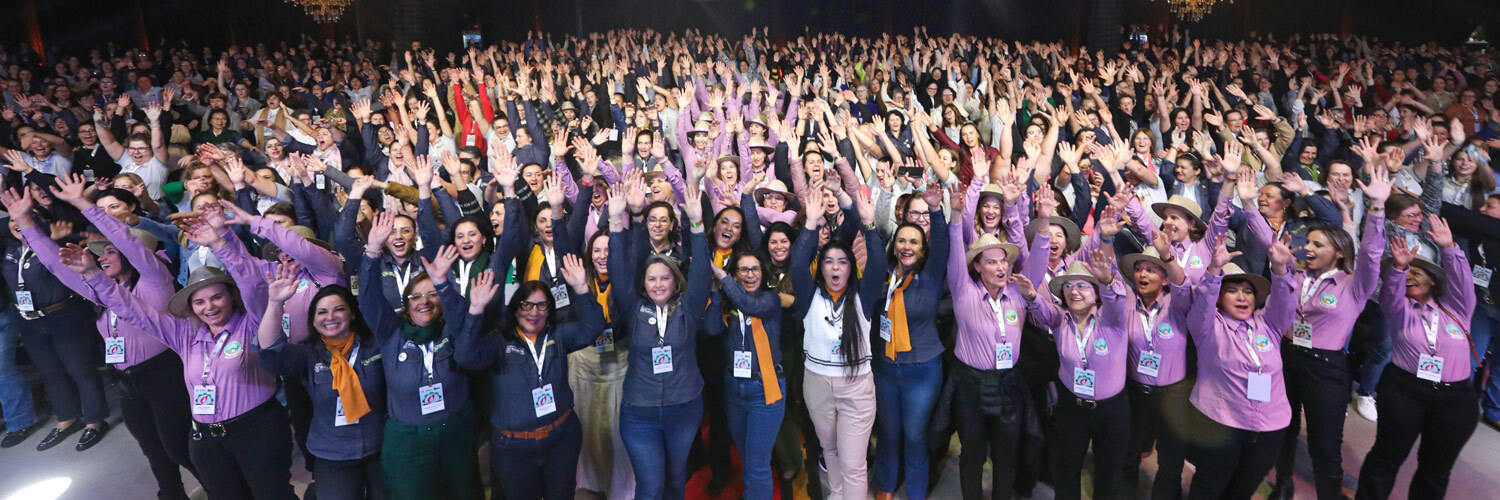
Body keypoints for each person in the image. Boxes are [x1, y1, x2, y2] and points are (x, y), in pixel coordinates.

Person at [66, 207, 296, 500]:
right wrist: (93, 275)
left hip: (257, 431)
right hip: (206, 438)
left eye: (216, 297)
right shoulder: (185, 334)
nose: (209, 307)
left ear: (231, 297)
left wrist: (219, 244)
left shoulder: (251, 323)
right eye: (199, 302)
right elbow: (131, 309)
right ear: (190, 307)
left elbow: (251, 283)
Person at [21, 174, 198, 498]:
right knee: (153, 450)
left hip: (165, 374)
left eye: (110, 252)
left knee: (179, 447)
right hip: (127, 380)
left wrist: (84, 204)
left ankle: (222, 490)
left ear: (129, 256)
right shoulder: (104, 291)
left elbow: (131, 243)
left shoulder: (153, 279)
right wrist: (25, 222)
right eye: (100, 253)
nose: (102, 257)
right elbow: (58, 266)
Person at [1268, 167, 1392, 500]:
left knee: (1325, 445)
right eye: (1306, 241)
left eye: (1316, 244)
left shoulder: (1353, 285)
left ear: (1338, 252)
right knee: (1284, 428)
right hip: (1286, 357)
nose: (1306, 247)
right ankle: (1283, 483)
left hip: (1327, 367)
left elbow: (1371, 255)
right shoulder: (1296, 275)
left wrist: (1377, 208)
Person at [454, 255, 603, 500]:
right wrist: (475, 310)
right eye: (527, 304)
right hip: (514, 448)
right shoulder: (499, 341)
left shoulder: (559, 334)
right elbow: (465, 357)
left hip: (561, 438)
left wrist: (581, 289)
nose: (534, 312)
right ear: (515, 309)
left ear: (549, 310)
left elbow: (593, 327)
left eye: (542, 305)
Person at [357, 214, 480, 500]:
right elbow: (368, 299)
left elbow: (461, 311)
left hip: (456, 432)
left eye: (432, 295)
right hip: (408, 438)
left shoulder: (451, 326)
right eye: (416, 297)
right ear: (406, 304)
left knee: (463, 492)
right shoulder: (390, 331)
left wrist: (444, 285)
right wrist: (373, 251)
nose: (424, 302)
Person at [1356, 215, 1479, 500]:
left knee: (1436, 469)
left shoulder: (1458, 309)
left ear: (1434, 281)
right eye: (1407, 272)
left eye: (1417, 272)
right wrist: (1398, 267)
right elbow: (1390, 294)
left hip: (1456, 400)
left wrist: (1449, 248)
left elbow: (1462, 283)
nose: (1411, 275)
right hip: (1404, 391)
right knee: (1386, 458)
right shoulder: (1400, 312)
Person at [943, 173, 1050, 499]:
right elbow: (954, 254)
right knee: (972, 454)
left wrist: (1041, 221)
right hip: (970, 384)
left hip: (1008, 383)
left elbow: (1039, 264)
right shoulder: (964, 291)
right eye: (992, 261)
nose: (1002, 267)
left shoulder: (1017, 292)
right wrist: (957, 215)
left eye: (1004, 260)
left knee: (1006, 453)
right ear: (977, 267)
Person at [608, 180, 713, 500]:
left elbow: (702, 275)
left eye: (665, 277)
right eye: (651, 278)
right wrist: (617, 222)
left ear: (675, 280)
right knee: (650, 487)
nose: (658, 284)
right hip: (640, 412)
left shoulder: (688, 309)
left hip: (684, 409)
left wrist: (696, 225)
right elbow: (618, 270)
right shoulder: (633, 307)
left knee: (675, 480)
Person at [1020, 211, 1131, 500]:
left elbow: (1116, 300)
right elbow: (1044, 312)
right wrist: (1032, 296)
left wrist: (1107, 279)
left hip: (1111, 411)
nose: (1074, 292)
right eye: (1068, 286)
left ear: (1095, 292)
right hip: (1073, 407)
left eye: (1082, 285)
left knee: (1108, 474)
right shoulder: (1061, 319)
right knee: (1066, 471)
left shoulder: (1113, 320)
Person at [787, 181, 884, 500]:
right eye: (829, 261)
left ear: (851, 267)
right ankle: (836, 496)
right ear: (822, 268)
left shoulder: (862, 296)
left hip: (856, 385)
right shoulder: (809, 297)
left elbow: (879, 265)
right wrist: (811, 224)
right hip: (817, 383)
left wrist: (869, 224)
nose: (835, 267)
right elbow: (798, 263)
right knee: (829, 451)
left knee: (854, 462)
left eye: (842, 261)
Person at [1182, 235, 1296, 500]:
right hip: (1222, 424)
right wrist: (1213, 272)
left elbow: (1285, 303)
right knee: (1209, 488)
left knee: (1242, 491)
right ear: (1219, 298)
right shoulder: (1208, 327)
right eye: (1232, 290)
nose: (1242, 297)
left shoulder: (1269, 324)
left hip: (1269, 427)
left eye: (1248, 291)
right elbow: (1201, 306)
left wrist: (1280, 269)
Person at [0, 186, 111, 452]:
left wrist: (56, 239)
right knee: (51, 373)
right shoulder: (11, 251)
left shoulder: (56, 247)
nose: (17, 224)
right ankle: (66, 419)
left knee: (80, 370)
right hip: (30, 321)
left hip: (64, 314)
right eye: (13, 220)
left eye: (23, 218)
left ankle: (95, 421)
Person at [258, 275, 388, 500]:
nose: (330, 317)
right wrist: (275, 303)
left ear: (352, 313)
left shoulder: (374, 346)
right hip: (333, 453)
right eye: (322, 312)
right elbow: (270, 351)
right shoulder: (307, 354)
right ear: (314, 320)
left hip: (381, 446)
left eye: (339, 309)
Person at [703, 248, 786, 500]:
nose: (750, 275)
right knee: (748, 456)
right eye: (743, 270)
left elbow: (748, 304)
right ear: (736, 275)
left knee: (759, 462)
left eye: (755, 269)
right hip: (734, 387)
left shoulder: (770, 299)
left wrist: (721, 275)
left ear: (763, 273)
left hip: (765, 386)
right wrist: (716, 293)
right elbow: (712, 328)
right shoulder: (730, 302)